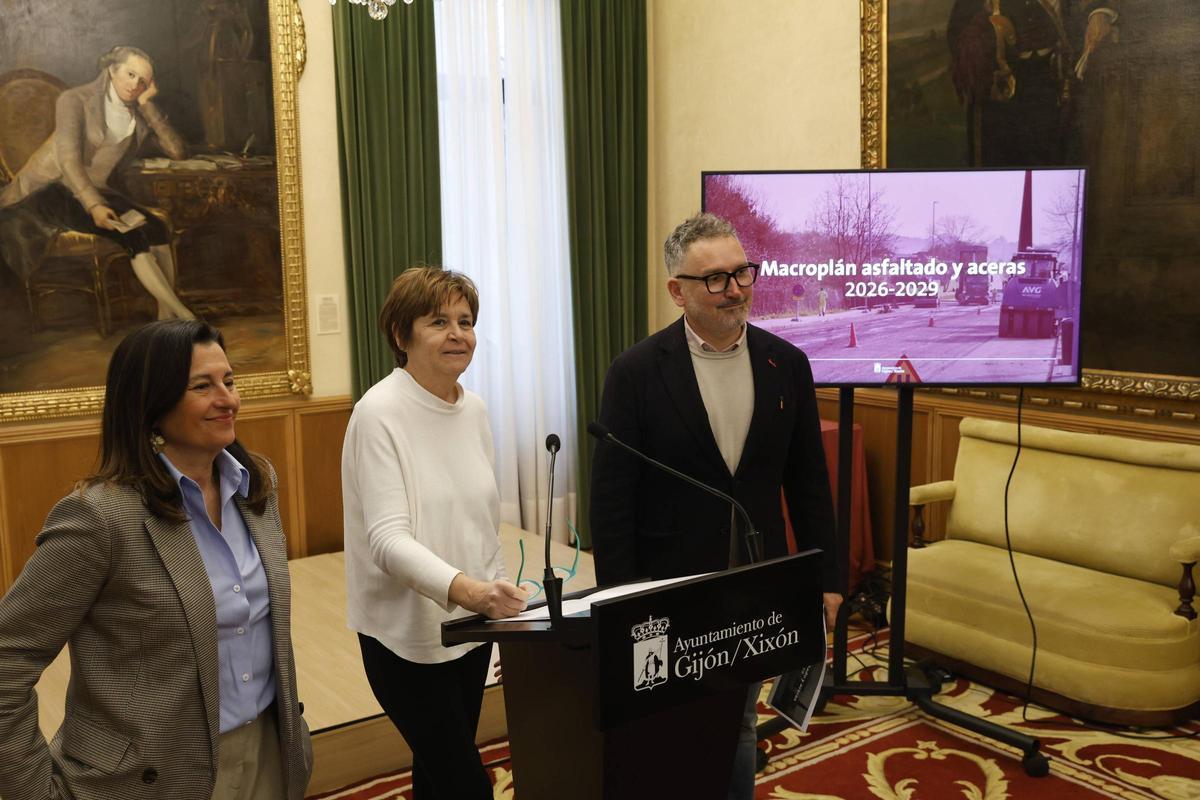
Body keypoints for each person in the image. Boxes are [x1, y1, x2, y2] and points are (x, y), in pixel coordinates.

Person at [0, 320, 312, 800]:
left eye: (229, 381)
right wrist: (32, 791)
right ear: (152, 403)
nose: (227, 399)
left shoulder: (256, 487)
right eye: (202, 387)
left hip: (270, 755)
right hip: (147, 779)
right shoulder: (100, 517)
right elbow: (7, 657)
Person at [590, 212, 842, 800]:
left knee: (740, 718)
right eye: (716, 279)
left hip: (755, 580)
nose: (735, 289)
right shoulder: (636, 372)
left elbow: (808, 483)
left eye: (742, 273)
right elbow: (612, 500)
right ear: (677, 290)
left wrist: (825, 578)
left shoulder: (787, 364)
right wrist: (623, 597)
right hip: (668, 583)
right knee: (668, 722)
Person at [342, 266, 528, 800]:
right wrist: (471, 589)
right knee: (465, 784)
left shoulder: (475, 410)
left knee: (437, 776)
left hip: (471, 627)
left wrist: (492, 604)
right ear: (401, 336)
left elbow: (481, 520)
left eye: (466, 321)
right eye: (438, 321)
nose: (458, 334)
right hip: (403, 637)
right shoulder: (377, 413)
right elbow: (387, 539)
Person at [0, 45, 194, 320]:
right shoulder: (75, 99)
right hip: (51, 190)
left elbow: (178, 151)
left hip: (94, 189)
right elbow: (68, 160)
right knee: (131, 234)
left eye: (143, 81)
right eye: (130, 74)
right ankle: (184, 315)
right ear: (112, 70)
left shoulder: (136, 114)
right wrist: (94, 206)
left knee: (157, 229)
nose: (135, 84)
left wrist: (147, 104)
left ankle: (166, 317)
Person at [947, 0, 1118, 166]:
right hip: (1000, 93)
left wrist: (1099, 14)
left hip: (1047, 86)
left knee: (1049, 160)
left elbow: (1084, 8)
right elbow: (957, 30)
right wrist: (980, 39)